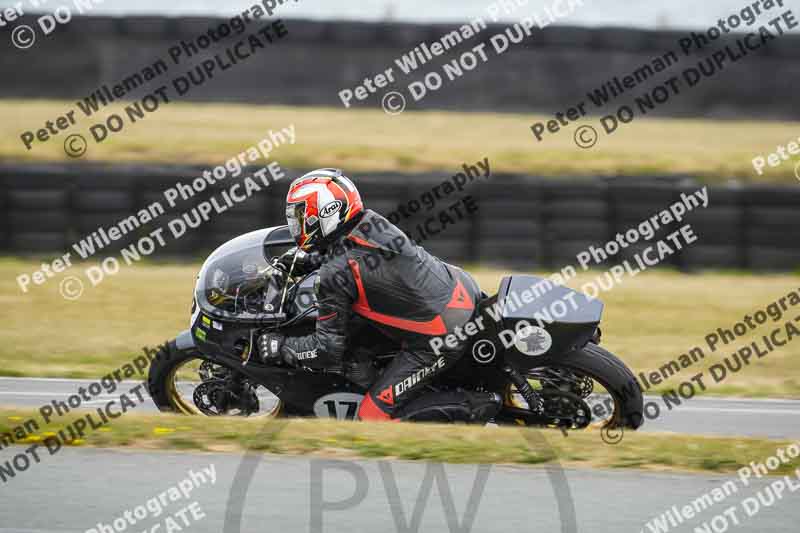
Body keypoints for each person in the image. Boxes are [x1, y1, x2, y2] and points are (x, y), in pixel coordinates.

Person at [259, 168, 501, 422]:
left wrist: (283, 347)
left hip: (442, 336)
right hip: (462, 289)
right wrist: (311, 260)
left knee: (371, 417)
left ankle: (476, 405)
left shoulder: (334, 275)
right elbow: (353, 256)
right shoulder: (370, 222)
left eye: (300, 215)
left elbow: (327, 349)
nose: (295, 224)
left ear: (324, 213)